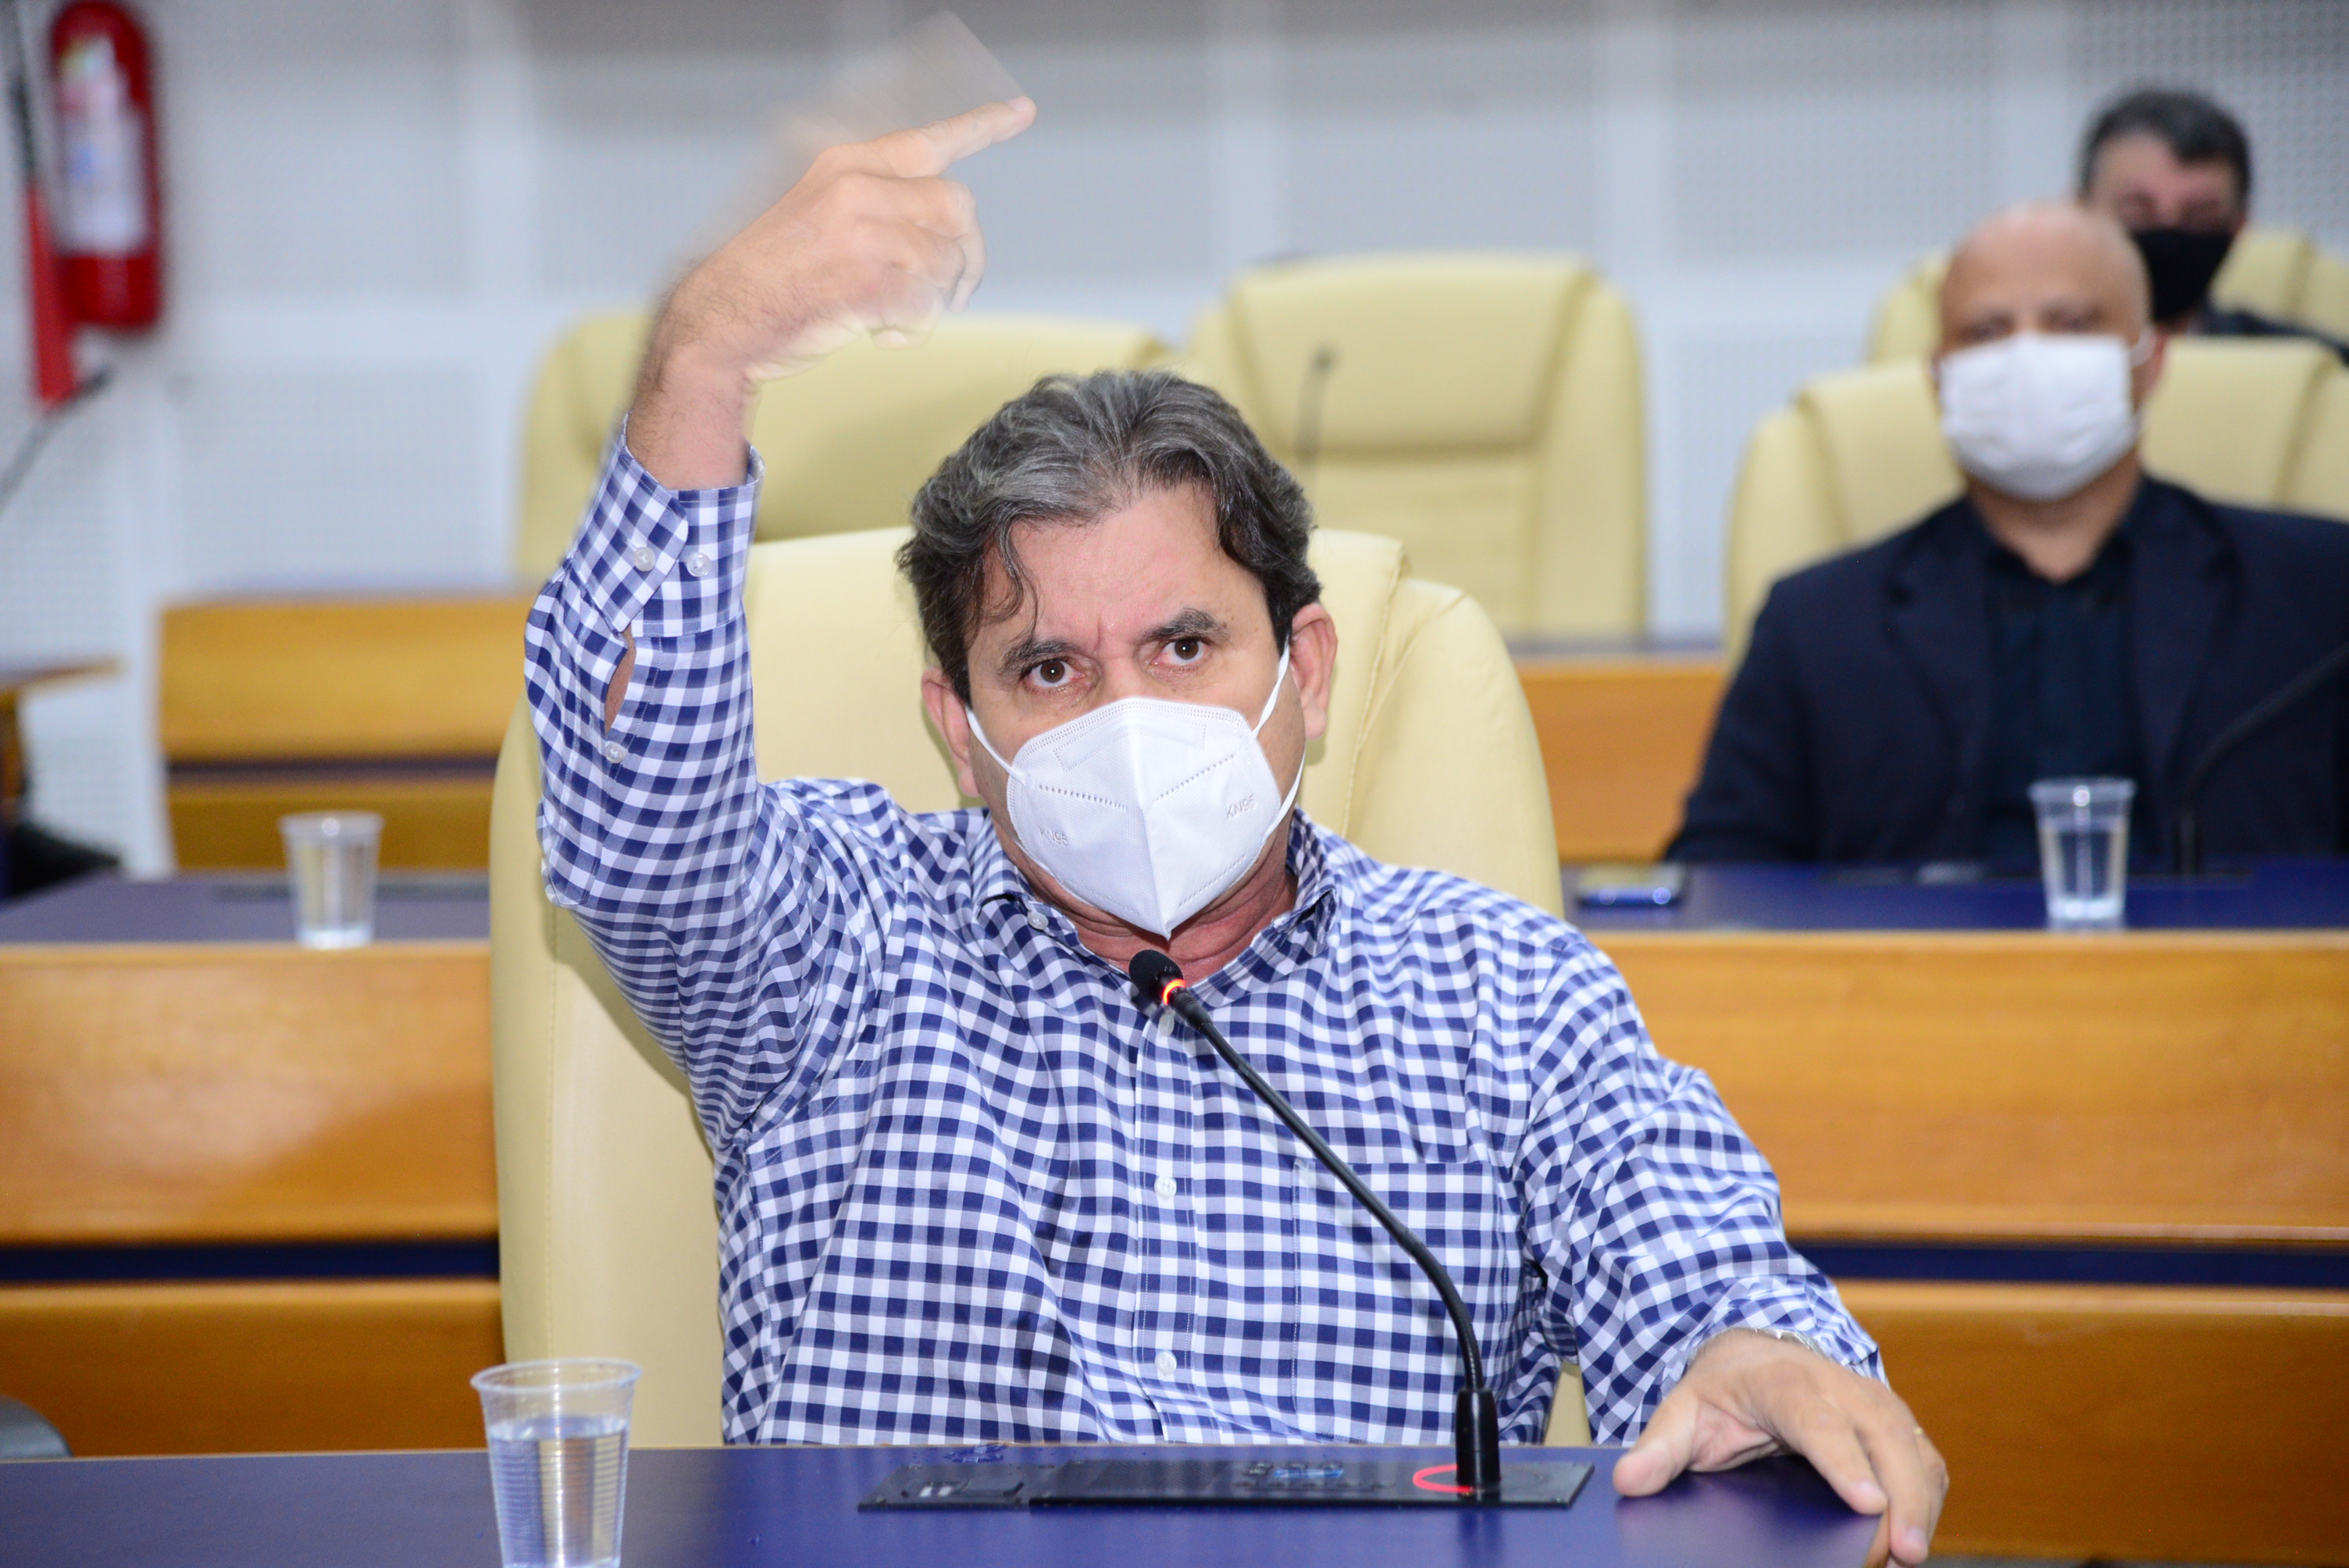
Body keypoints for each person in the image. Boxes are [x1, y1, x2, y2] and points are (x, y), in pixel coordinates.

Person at [526, 99, 1945, 1564]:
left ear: (1305, 672)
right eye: (1049, 669)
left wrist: (1754, 1351)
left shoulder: (1501, 993)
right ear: (959, 728)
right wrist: (703, 357)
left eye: (1186, 645)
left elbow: (1706, 1280)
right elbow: (637, 831)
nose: (1126, 712)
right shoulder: (836, 939)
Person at [1673, 202, 2349, 867]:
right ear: (1938, 379)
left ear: (2151, 361)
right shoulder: (1817, 625)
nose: (2029, 357)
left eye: (2072, 323)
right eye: (1987, 331)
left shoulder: (2316, 600)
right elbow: (1720, 875)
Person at [2077, 86, 2348, 360]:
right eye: (2137, 211)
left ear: (2239, 226)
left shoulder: (2310, 368)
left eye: (2199, 215)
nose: (2168, 229)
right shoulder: (2051, 360)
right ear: (2082, 212)